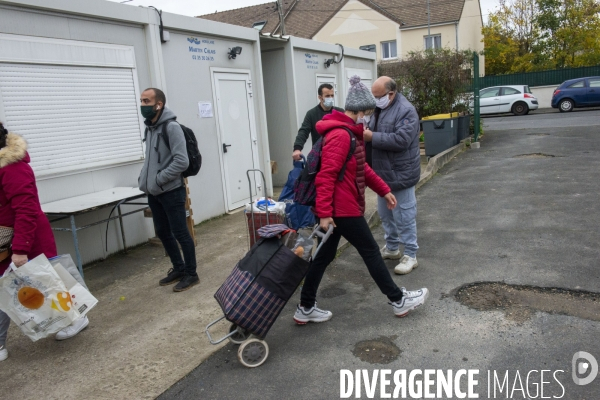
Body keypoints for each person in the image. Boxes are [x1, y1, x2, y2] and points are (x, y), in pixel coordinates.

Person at [293, 76, 428, 324]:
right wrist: (324, 213)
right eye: (367, 111)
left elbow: (361, 168)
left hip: (338, 208)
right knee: (371, 253)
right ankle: (398, 300)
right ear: (361, 111)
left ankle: (305, 307)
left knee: (322, 258)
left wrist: (384, 189)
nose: (369, 116)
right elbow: (326, 176)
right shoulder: (342, 135)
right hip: (341, 209)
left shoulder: (348, 132)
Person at [0, 123, 89, 361]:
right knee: (12, 287)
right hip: (6, 241)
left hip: (25, 239)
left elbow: (26, 210)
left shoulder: (13, 169)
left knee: (47, 282)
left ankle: (77, 317)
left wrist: (20, 250)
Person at [138, 88, 199, 292]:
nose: (142, 105)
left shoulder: (171, 127)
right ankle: (179, 268)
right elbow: (151, 160)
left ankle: (192, 273)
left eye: (147, 101)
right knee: (163, 232)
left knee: (180, 232)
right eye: (141, 101)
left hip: (171, 191)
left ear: (159, 104)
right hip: (155, 193)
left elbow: (181, 161)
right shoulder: (150, 128)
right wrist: (145, 180)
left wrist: (158, 180)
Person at [363, 77, 421, 275]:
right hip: (383, 174)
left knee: (404, 215)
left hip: (401, 173)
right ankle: (393, 248)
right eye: (374, 96)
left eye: (378, 96)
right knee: (386, 215)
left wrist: (372, 137)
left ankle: (411, 255)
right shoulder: (382, 108)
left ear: (391, 93)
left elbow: (402, 140)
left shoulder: (406, 110)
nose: (376, 100)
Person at [292, 83, 344, 161]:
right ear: (320, 97)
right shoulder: (312, 114)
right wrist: (297, 148)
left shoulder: (340, 112)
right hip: (320, 156)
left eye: (332, 95)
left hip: (338, 154)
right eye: (327, 96)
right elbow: (303, 131)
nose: (330, 98)